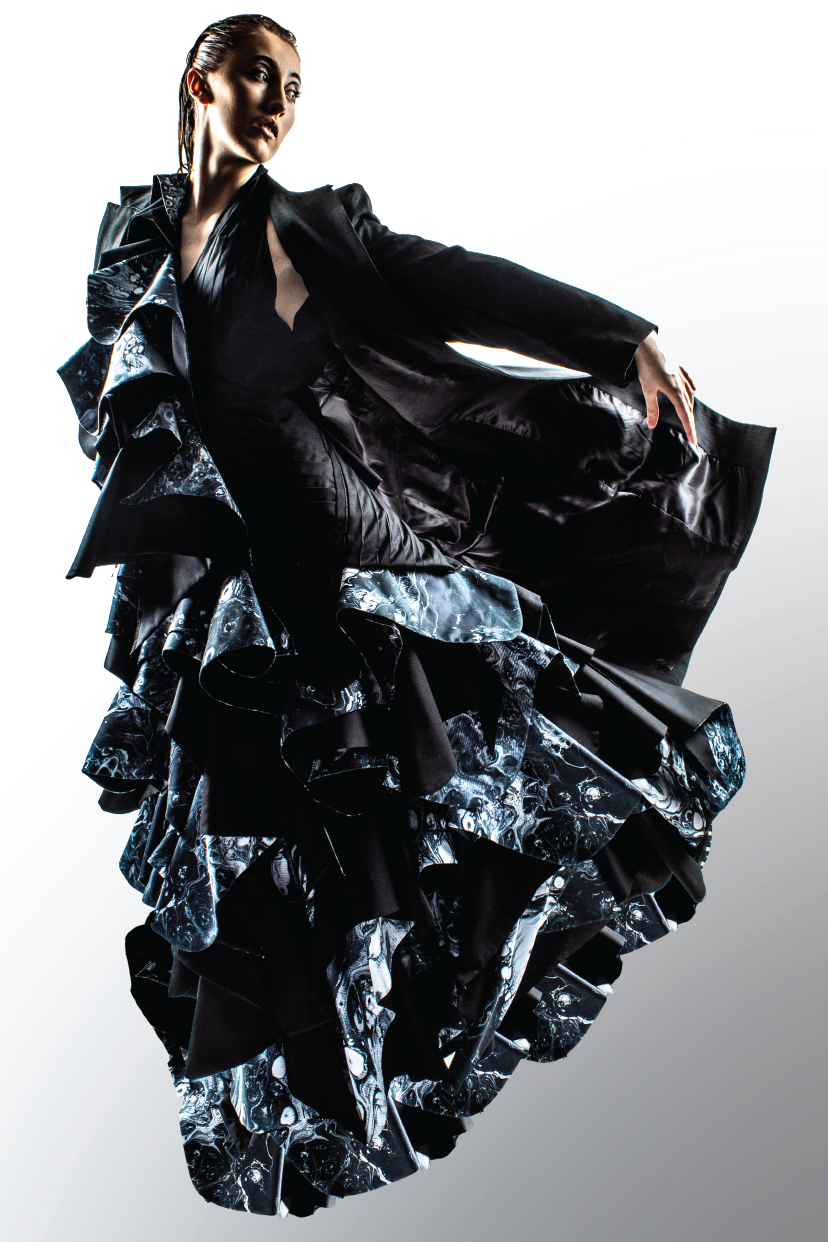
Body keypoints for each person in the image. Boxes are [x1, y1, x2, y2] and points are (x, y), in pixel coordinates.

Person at [59, 12, 774, 1218]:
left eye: (295, 85)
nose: (278, 100)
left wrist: (627, 338)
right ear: (200, 82)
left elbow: (466, 284)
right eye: (257, 75)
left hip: (352, 552)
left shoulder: (317, 226)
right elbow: (129, 416)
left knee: (459, 772)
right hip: (243, 593)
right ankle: (321, 1097)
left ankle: (470, 982)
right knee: (259, 857)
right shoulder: (131, 236)